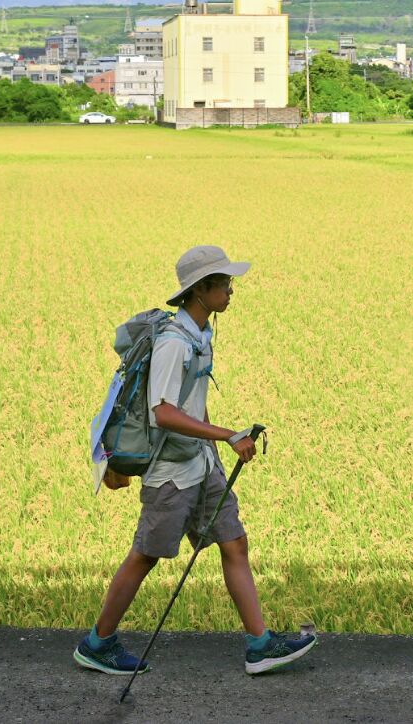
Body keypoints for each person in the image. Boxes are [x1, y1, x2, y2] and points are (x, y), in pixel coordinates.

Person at [75, 245, 316, 677]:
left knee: (233, 542)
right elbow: (163, 412)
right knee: (146, 555)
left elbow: (190, 403)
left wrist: (215, 446)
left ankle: (259, 644)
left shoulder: (199, 336)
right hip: (170, 475)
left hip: (201, 466)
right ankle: (97, 643)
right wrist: (226, 436)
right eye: (224, 283)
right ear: (200, 290)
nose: (230, 290)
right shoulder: (173, 343)